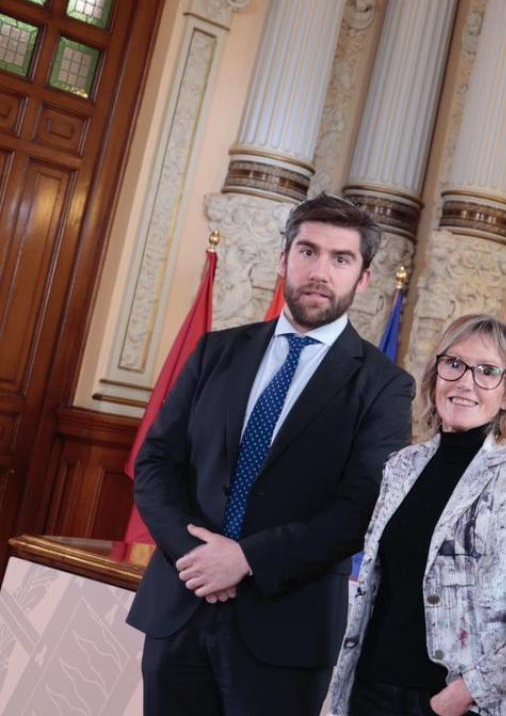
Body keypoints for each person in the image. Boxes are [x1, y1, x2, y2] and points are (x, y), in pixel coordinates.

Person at [128, 195, 414, 716]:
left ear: (364, 279)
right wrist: (196, 559)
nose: (319, 271)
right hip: (181, 609)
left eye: (340, 259)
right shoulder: (218, 351)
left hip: (285, 632)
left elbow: (362, 508)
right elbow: (155, 464)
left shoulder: (384, 386)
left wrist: (245, 560)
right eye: (307, 251)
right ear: (284, 259)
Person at [327, 314, 506, 716]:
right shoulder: (402, 465)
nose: (465, 382)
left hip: (458, 702)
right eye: (453, 364)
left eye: (487, 371)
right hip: (370, 689)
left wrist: (467, 692)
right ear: (435, 374)